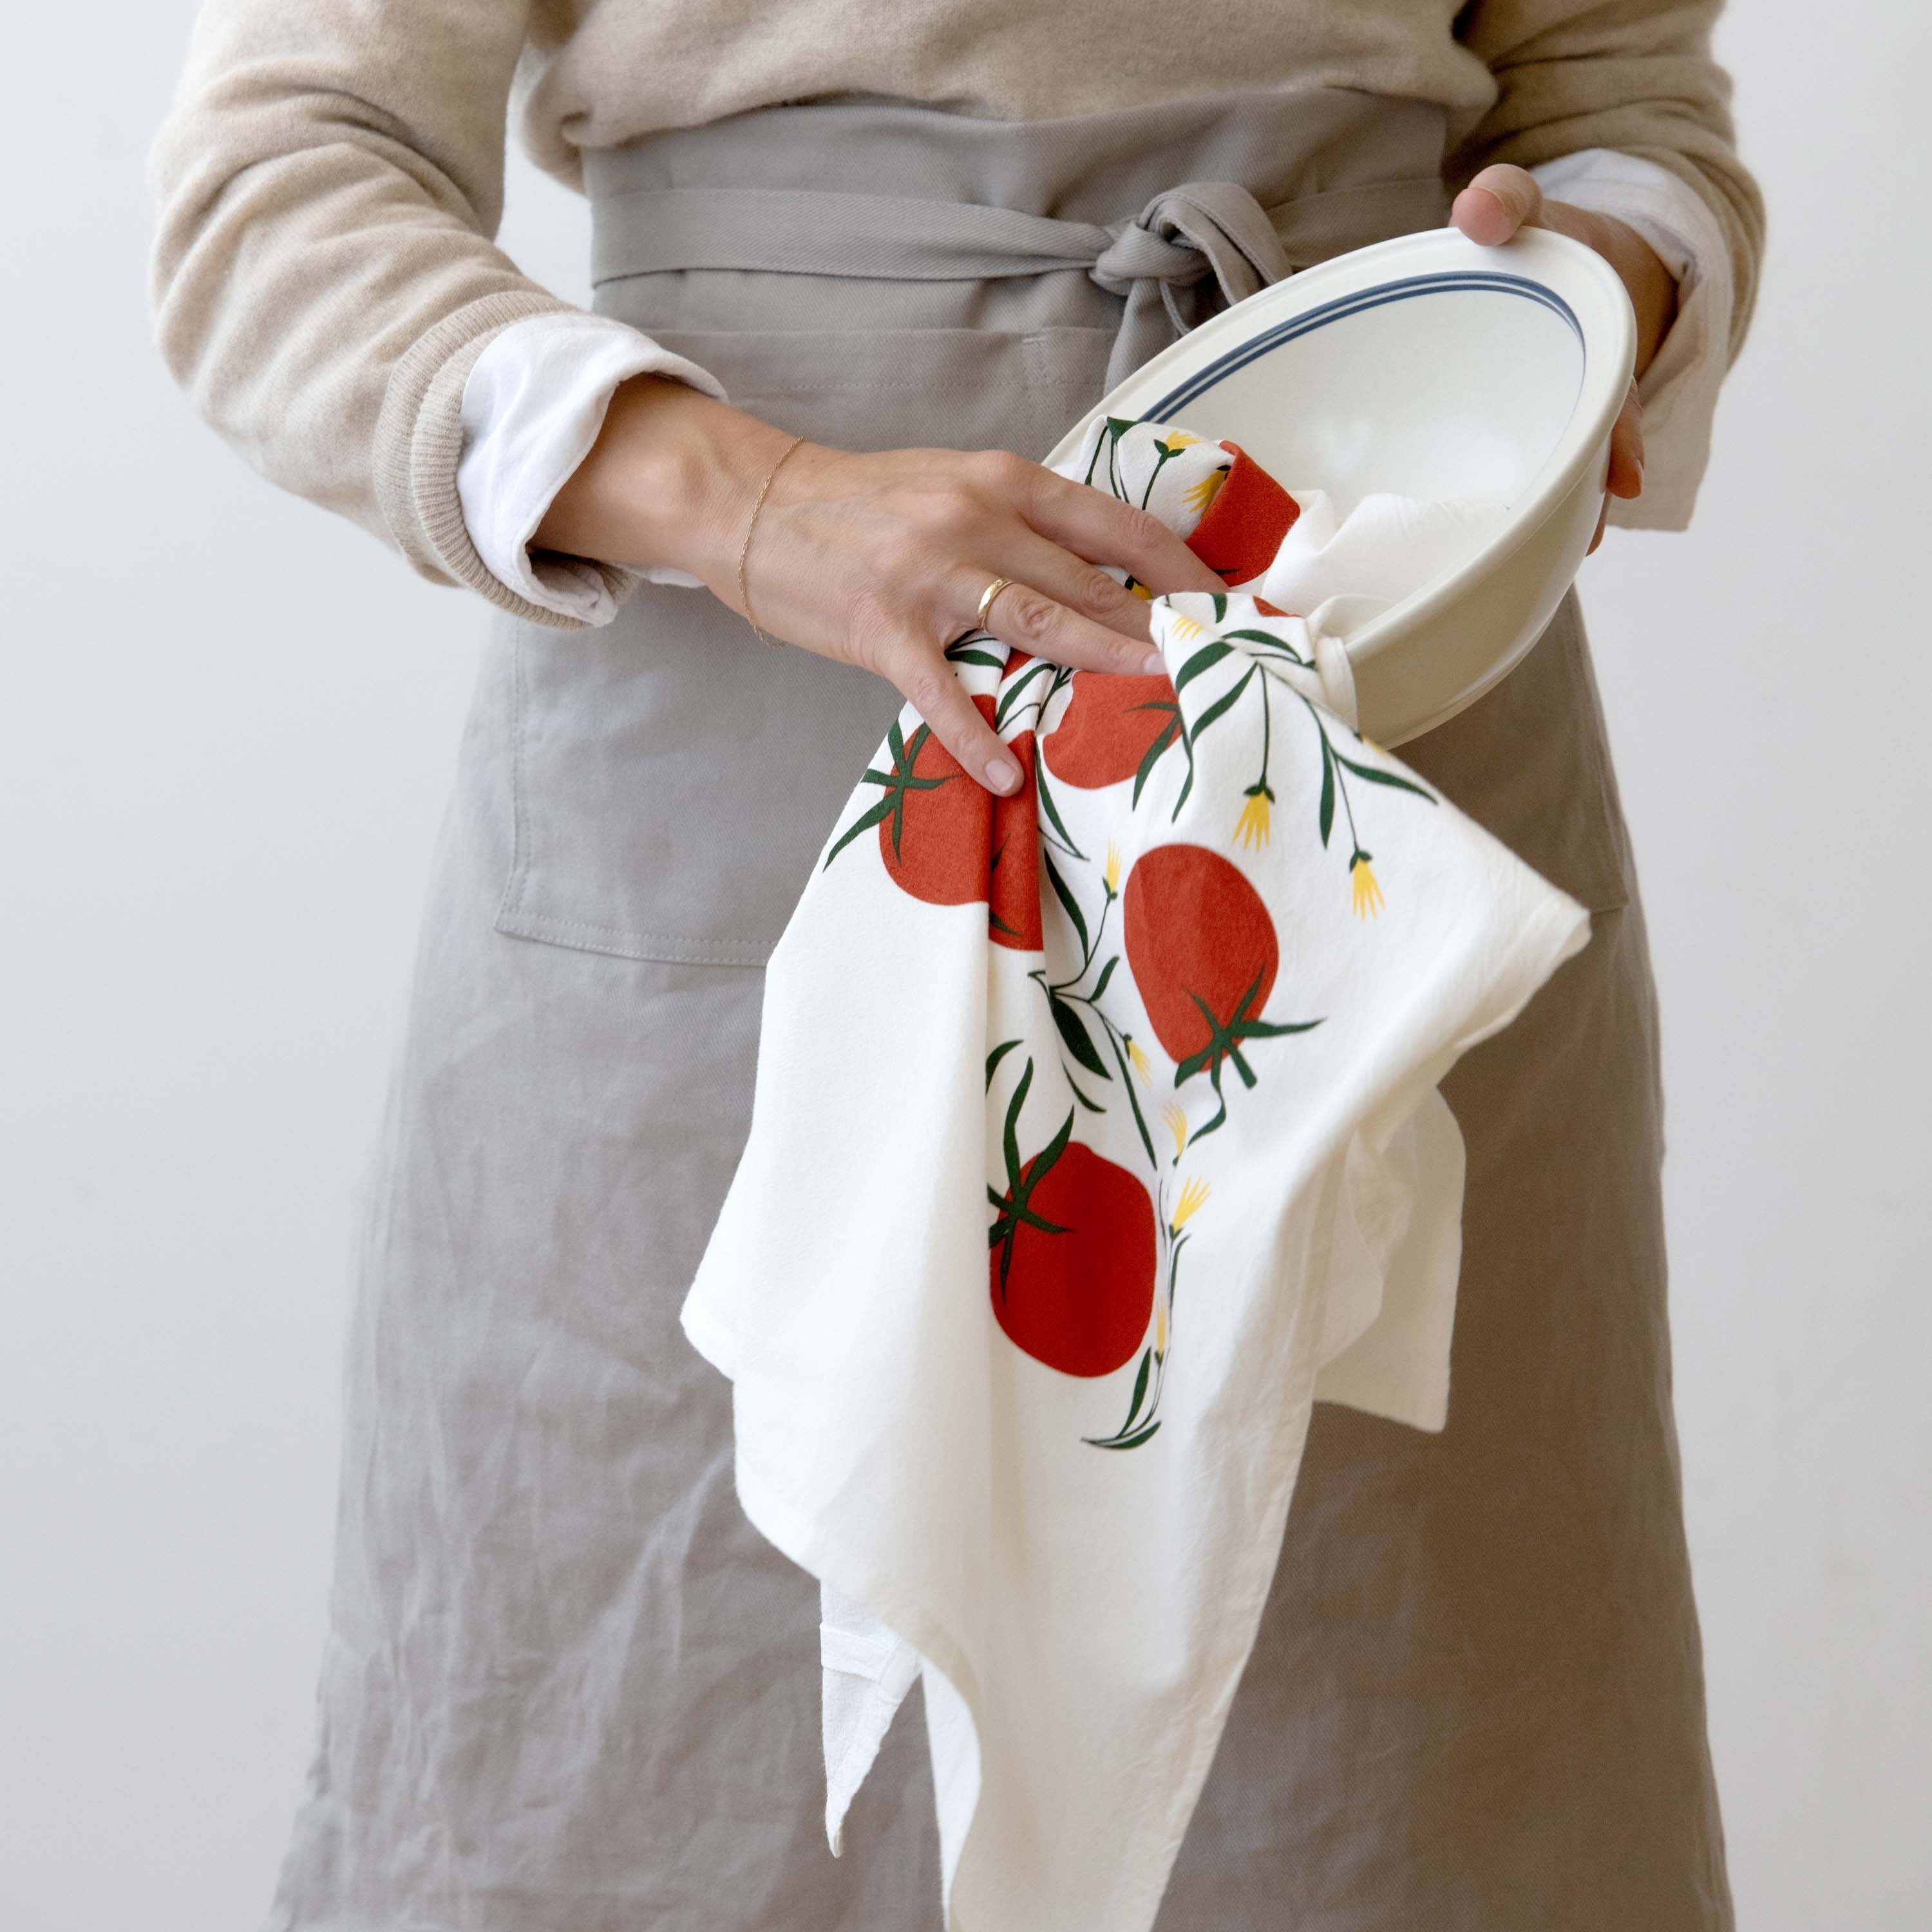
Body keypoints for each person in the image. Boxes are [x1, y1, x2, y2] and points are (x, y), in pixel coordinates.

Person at [147, 5, 1763, 1928]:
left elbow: (1622, 106)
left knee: (1392, 1776)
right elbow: (275, 177)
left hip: (1351, 733)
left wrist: (1597, 294)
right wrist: (751, 501)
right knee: (663, 1772)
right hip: (737, 774)